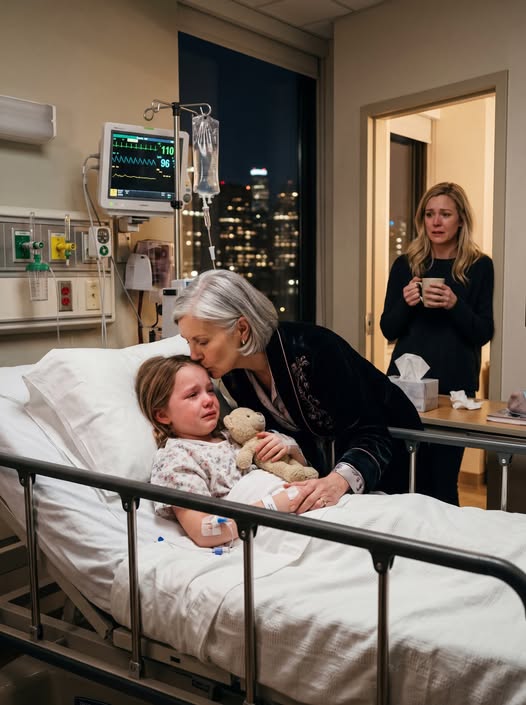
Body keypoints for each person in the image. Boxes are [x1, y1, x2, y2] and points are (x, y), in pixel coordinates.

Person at [171, 269, 423, 513]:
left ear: (242, 329)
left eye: (202, 341)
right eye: (189, 342)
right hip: (330, 474)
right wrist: (288, 445)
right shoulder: (234, 374)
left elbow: (372, 430)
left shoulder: (314, 350)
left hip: (399, 453)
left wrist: (337, 482)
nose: (194, 355)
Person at [380, 182, 494, 504]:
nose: (436, 222)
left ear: (461, 219)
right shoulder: (406, 265)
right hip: (406, 387)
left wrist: (454, 304)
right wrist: (406, 302)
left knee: (443, 486)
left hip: (455, 391)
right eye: (429, 214)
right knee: (401, 481)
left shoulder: (479, 266)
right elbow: (388, 329)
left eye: (445, 214)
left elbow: (483, 332)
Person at [135, 354, 309, 548]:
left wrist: (288, 447)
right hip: (265, 527)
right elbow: (203, 531)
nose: (208, 400)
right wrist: (274, 505)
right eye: (192, 395)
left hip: (301, 502)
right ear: (162, 415)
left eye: (210, 390)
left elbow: (298, 469)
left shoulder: (235, 435)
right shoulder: (176, 458)